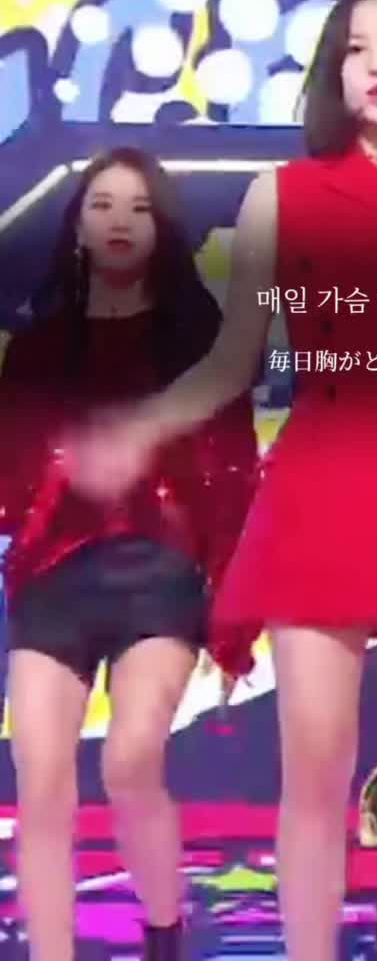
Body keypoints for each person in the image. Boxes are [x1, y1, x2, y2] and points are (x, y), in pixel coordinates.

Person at [64, 0, 377, 961]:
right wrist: (143, 427)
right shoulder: (279, 196)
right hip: (323, 481)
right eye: (355, 48)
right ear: (334, 74)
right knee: (316, 763)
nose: (376, 63)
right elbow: (233, 359)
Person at [0, 148, 258, 961]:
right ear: (77, 225)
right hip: (53, 575)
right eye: (103, 205)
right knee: (40, 781)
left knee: (130, 760)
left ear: (162, 229)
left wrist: (234, 615)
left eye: (139, 208)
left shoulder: (200, 342)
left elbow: (235, 475)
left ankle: (163, 929)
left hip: (160, 572)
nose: (119, 221)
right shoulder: (35, 351)